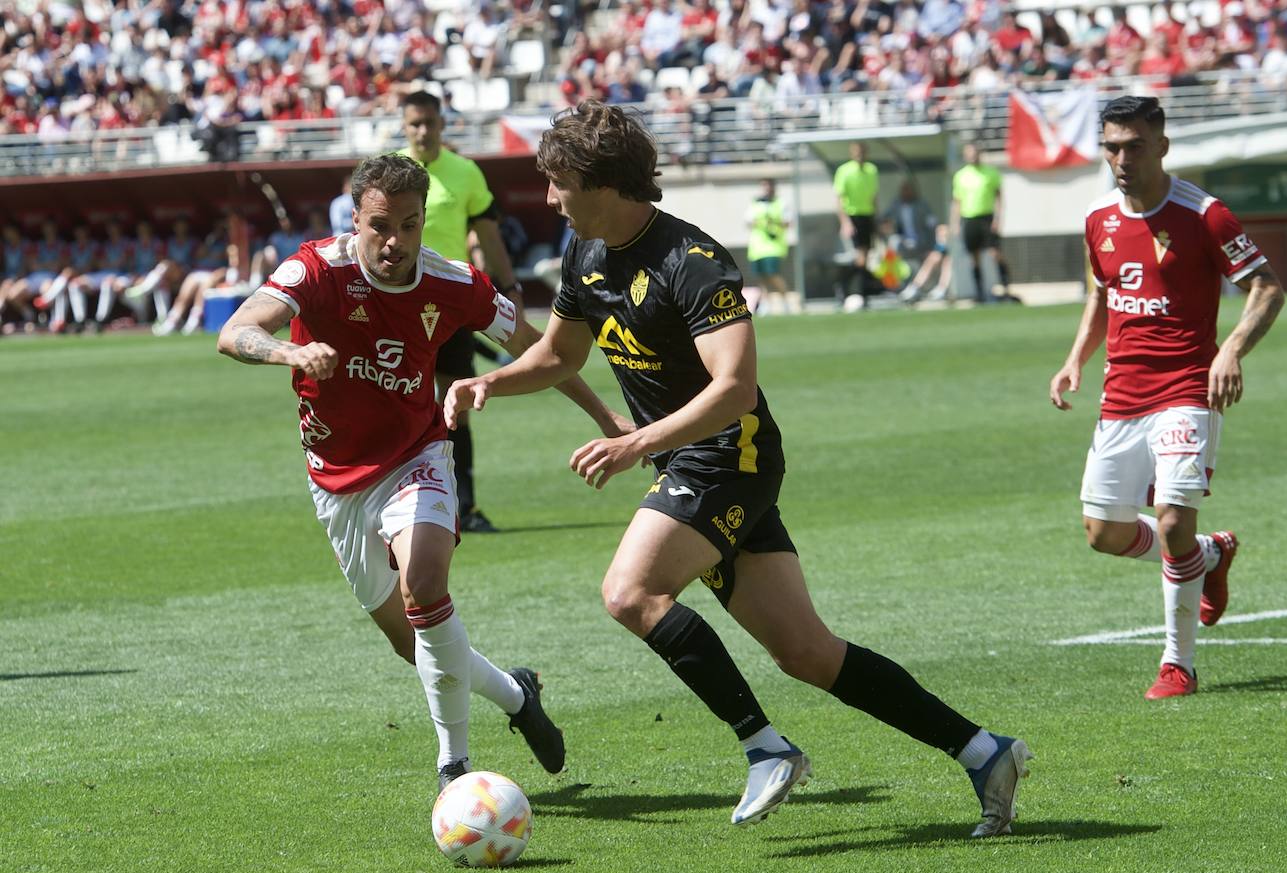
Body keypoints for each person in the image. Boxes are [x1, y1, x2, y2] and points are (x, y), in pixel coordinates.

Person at [444, 101, 1033, 835]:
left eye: (558, 181)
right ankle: (986, 753)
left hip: (729, 456)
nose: (549, 197)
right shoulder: (583, 253)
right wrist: (489, 382)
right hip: (691, 459)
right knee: (807, 653)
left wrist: (634, 443)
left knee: (630, 592)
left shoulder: (691, 262)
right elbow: (561, 356)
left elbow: (735, 389)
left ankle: (764, 747)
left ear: (602, 182)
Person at [217, 153, 629, 790]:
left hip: (416, 456)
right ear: (355, 219)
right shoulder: (317, 268)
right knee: (415, 643)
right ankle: (518, 697)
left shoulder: (453, 283)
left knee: (426, 586)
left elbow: (541, 349)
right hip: (335, 479)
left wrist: (605, 416)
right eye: (381, 225)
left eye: (409, 226)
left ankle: (453, 765)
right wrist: (291, 350)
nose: (395, 242)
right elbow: (236, 331)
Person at [1049, 96, 1286, 699]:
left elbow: (1266, 289)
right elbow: (1102, 295)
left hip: (1187, 387)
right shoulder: (1098, 218)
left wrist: (1229, 350)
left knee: (1174, 518)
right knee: (1103, 533)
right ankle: (1207, 555)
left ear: (1162, 146)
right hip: (1121, 394)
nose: (1120, 159)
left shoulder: (1205, 215)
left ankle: (1177, 664)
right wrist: (1077, 358)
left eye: (1132, 146)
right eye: (1111, 147)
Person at [398, 89, 524, 533]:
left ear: (441, 123)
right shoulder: (391, 172)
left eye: (429, 122)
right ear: (403, 125)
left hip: (447, 304)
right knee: (398, 402)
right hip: (395, 306)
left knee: (455, 404)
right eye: (414, 123)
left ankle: (463, 507)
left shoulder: (465, 173)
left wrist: (509, 288)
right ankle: (401, 506)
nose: (422, 131)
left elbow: (489, 238)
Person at [950, 143, 1014, 303]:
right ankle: (979, 293)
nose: (972, 156)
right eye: (969, 153)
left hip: (987, 218)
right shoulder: (960, 176)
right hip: (969, 218)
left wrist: (998, 218)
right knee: (974, 257)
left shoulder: (991, 173)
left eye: (975, 153)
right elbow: (957, 201)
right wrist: (956, 223)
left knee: (995, 253)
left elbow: (999, 197)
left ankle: (1006, 288)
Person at [833, 141, 880, 312]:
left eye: (862, 151)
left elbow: (874, 197)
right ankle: (844, 289)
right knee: (858, 257)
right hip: (852, 217)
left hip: (866, 216)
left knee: (865, 258)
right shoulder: (844, 171)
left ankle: (860, 294)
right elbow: (839, 199)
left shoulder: (872, 170)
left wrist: (876, 219)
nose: (859, 154)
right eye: (856, 151)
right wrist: (845, 222)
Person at [743, 178, 795, 316]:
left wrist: (773, 222)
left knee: (773, 274)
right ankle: (766, 304)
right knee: (762, 277)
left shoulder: (780, 203)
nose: (767, 189)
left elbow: (788, 222)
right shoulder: (755, 203)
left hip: (774, 246)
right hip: (757, 247)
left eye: (769, 185)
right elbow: (748, 221)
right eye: (764, 186)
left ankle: (786, 302)